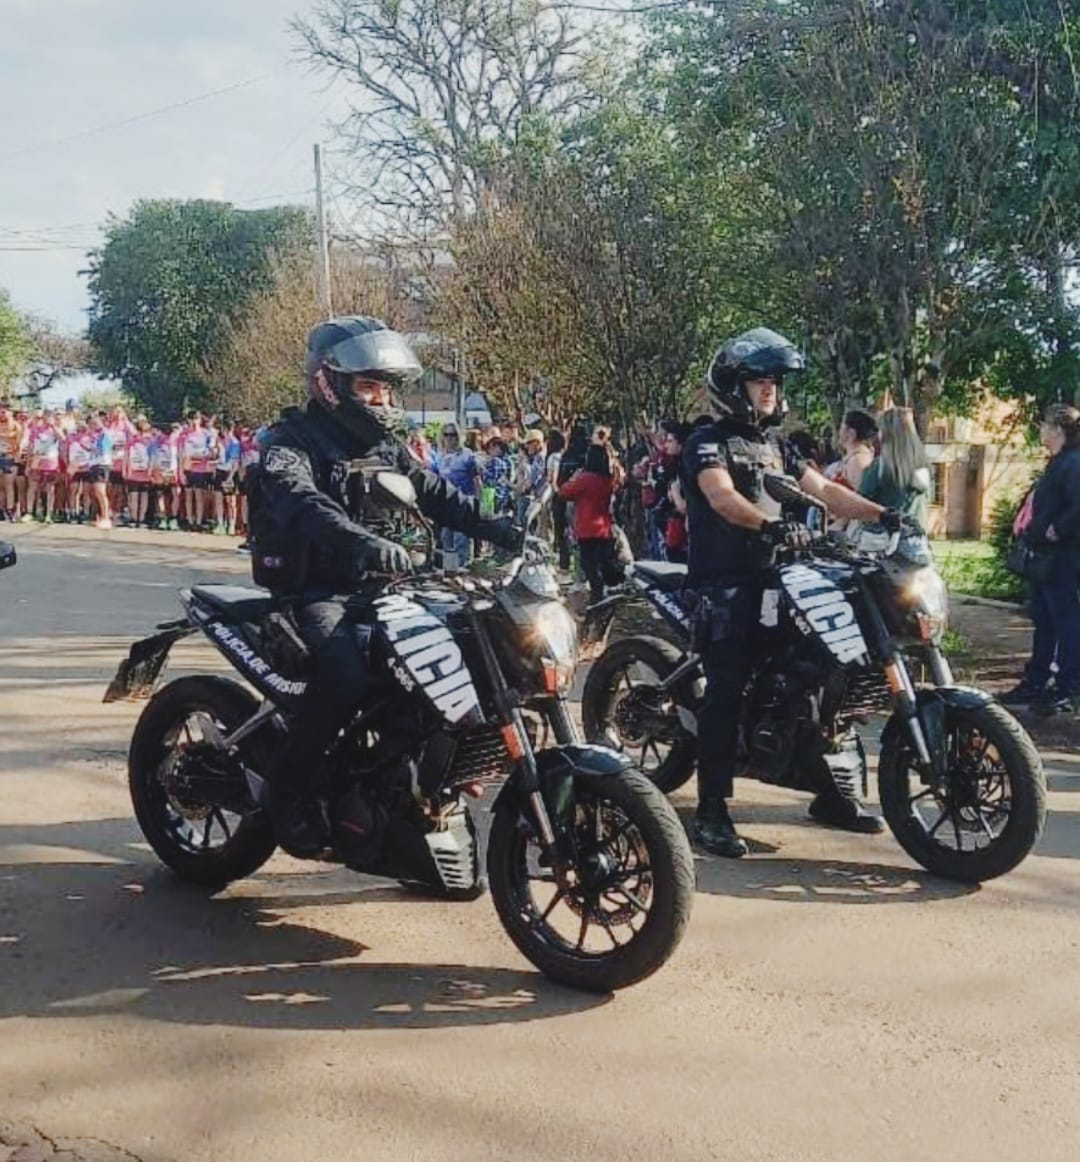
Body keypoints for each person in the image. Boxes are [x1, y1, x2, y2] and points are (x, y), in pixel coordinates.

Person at [249, 315, 518, 857]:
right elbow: (302, 502)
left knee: (455, 658)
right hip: (318, 591)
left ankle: (410, 790)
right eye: (368, 386)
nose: (380, 399)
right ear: (329, 382)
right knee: (345, 676)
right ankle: (290, 793)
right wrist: (361, 542)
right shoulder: (286, 442)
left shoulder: (387, 448)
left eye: (386, 388)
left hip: (389, 590)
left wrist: (506, 531)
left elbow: (437, 495)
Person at [681, 327, 904, 858]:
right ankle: (711, 810)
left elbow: (826, 490)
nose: (770, 390)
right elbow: (723, 498)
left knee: (817, 676)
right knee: (727, 689)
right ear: (734, 385)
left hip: (780, 580)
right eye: (760, 381)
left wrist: (886, 515)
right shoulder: (705, 442)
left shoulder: (778, 445)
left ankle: (827, 794)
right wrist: (769, 526)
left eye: (774, 382)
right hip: (727, 585)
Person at [1000, 404, 1080, 715]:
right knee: (1045, 619)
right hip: (1046, 557)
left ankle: (1067, 685)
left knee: (1065, 619)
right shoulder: (1059, 462)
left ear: (1058, 429)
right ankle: (1037, 680)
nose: (1041, 430)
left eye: (1045, 425)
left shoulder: (1072, 463)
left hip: (1062, 557)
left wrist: (1057, 529)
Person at [558, 443, 626, 603]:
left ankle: (597, 595)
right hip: (604, 528)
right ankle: (607, 591)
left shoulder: (584, 478)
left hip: (586, 529)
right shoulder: (607, 479)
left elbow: (564, 492)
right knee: (604, 562)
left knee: (589, 565)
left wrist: (574, 477)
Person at [856, 407, 930, 527]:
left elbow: (859, 504)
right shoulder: (924, 466)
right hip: (915, 537)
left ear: (885, 434)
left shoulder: (879, 468)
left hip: (882, 538)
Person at [433, 421, 481, 569]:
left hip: (464, 503)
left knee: (462, 540)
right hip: (445, 505)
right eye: (446, 435)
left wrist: (478, 505)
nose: (450, 438)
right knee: (446, 540)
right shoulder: (439, 457)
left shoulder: (467, 456)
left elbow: (477, 481)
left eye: (453, 435)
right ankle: (450, 572)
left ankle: (464, 571)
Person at [833, 409, 878, 491]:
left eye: (842, 427)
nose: (839, 432)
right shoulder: (853, 457)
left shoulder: (858, 461)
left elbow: (862, 496)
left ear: (852, 433)